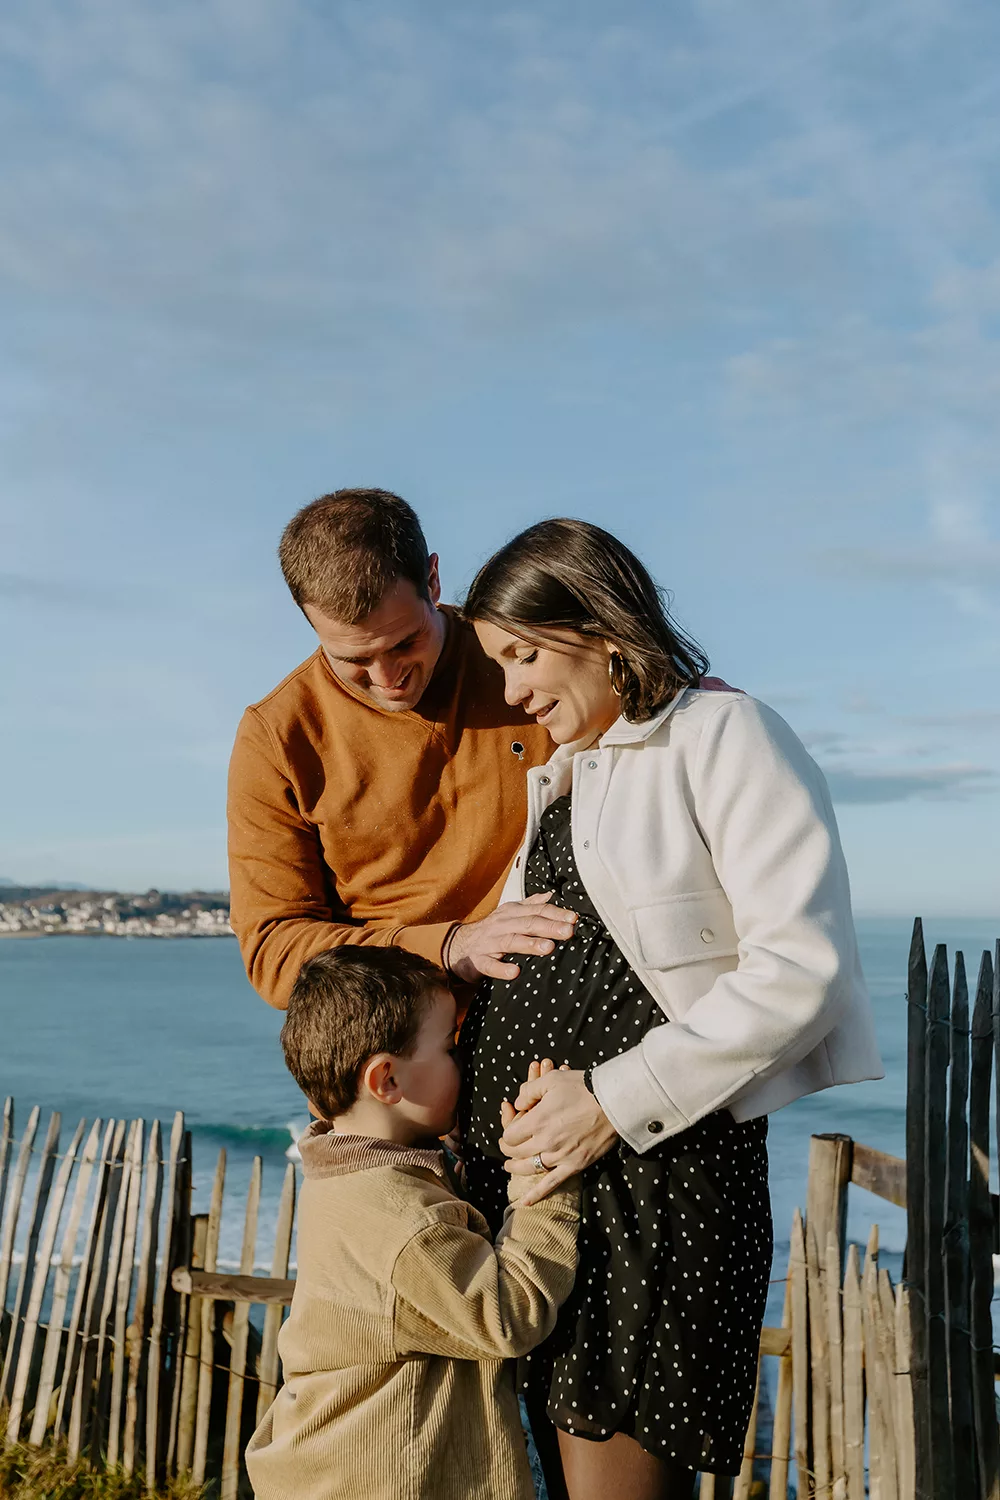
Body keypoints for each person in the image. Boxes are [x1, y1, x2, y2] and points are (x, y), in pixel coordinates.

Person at [458, 518, 883, 1500]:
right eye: (496, 663)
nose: (510, 689)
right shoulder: (563, 775)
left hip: (654, 1183)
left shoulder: (723, 734)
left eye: (522, 654)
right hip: (548, 1192)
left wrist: (607, 1100)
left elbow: (802, 968)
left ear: (600, 625)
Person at [245, 945, 581, 1500]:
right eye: (450, 1047)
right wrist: (543, 1177)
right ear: (387, 1081)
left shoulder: (346, 1176)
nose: (468, 1059)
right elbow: (508, 1315)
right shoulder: (401, 1221)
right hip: (382, 1479)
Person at [227, 488, 574, 1010]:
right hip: (393, 1051)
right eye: (354, 659)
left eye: (405, 643)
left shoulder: (522, 656)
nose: (388, 679)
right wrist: (450, 946)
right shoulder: (277, 734)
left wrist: (676, 699)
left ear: (433, 580)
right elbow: (275, 953)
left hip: (554, 1017)